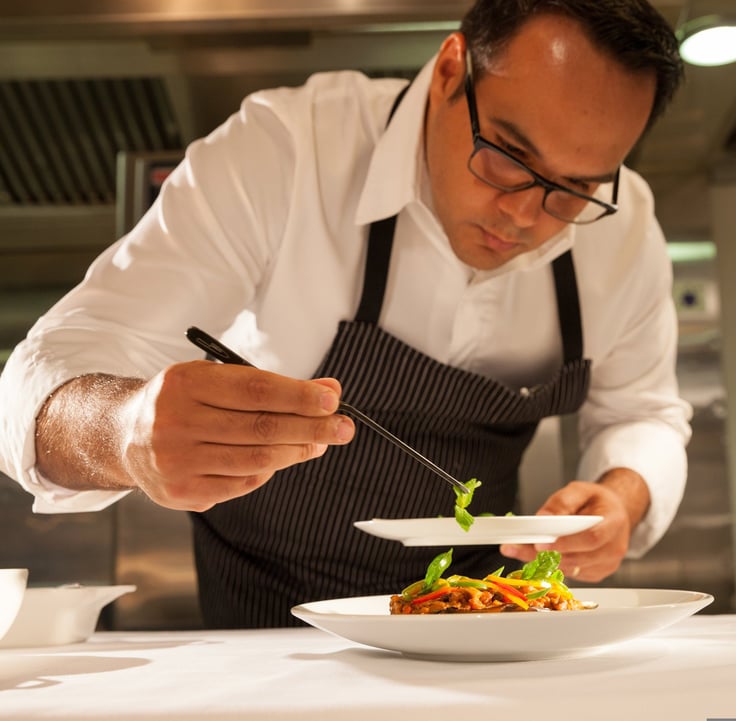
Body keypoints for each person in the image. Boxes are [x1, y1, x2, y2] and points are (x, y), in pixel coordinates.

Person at [0, 0, 692, 628]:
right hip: (264, 625)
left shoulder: (623, 230)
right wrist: (124, 429)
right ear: (451, 70)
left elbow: (644, 412)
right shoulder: (287, 152)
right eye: (508, 156)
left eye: (574, 189)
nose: (525, 214)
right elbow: (37, 380)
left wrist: (622, 495)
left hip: (482, 621)